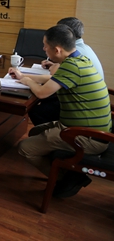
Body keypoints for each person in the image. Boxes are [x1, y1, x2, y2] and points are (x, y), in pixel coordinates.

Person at [13, 24, 110, 198]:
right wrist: (24, 76)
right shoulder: (78, 59)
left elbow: (42, 93)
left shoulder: (71, 66)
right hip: (90, 130)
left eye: (45, 46)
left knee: (25, 148)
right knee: (35, 132)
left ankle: (69, 177)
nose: (43, 49)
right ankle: (65, 170)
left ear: (57, 50)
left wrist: (28, 82)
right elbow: (53, 79)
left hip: (89, 137)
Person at [30, 17, 105, 126]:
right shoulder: (80, 54)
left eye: (45, 46)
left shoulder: (73, 62)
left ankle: (54, 133)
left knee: (39, 110)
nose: (44, 49)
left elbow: (43, 91)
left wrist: (27, 80)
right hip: (91, 109)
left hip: (86, 125)